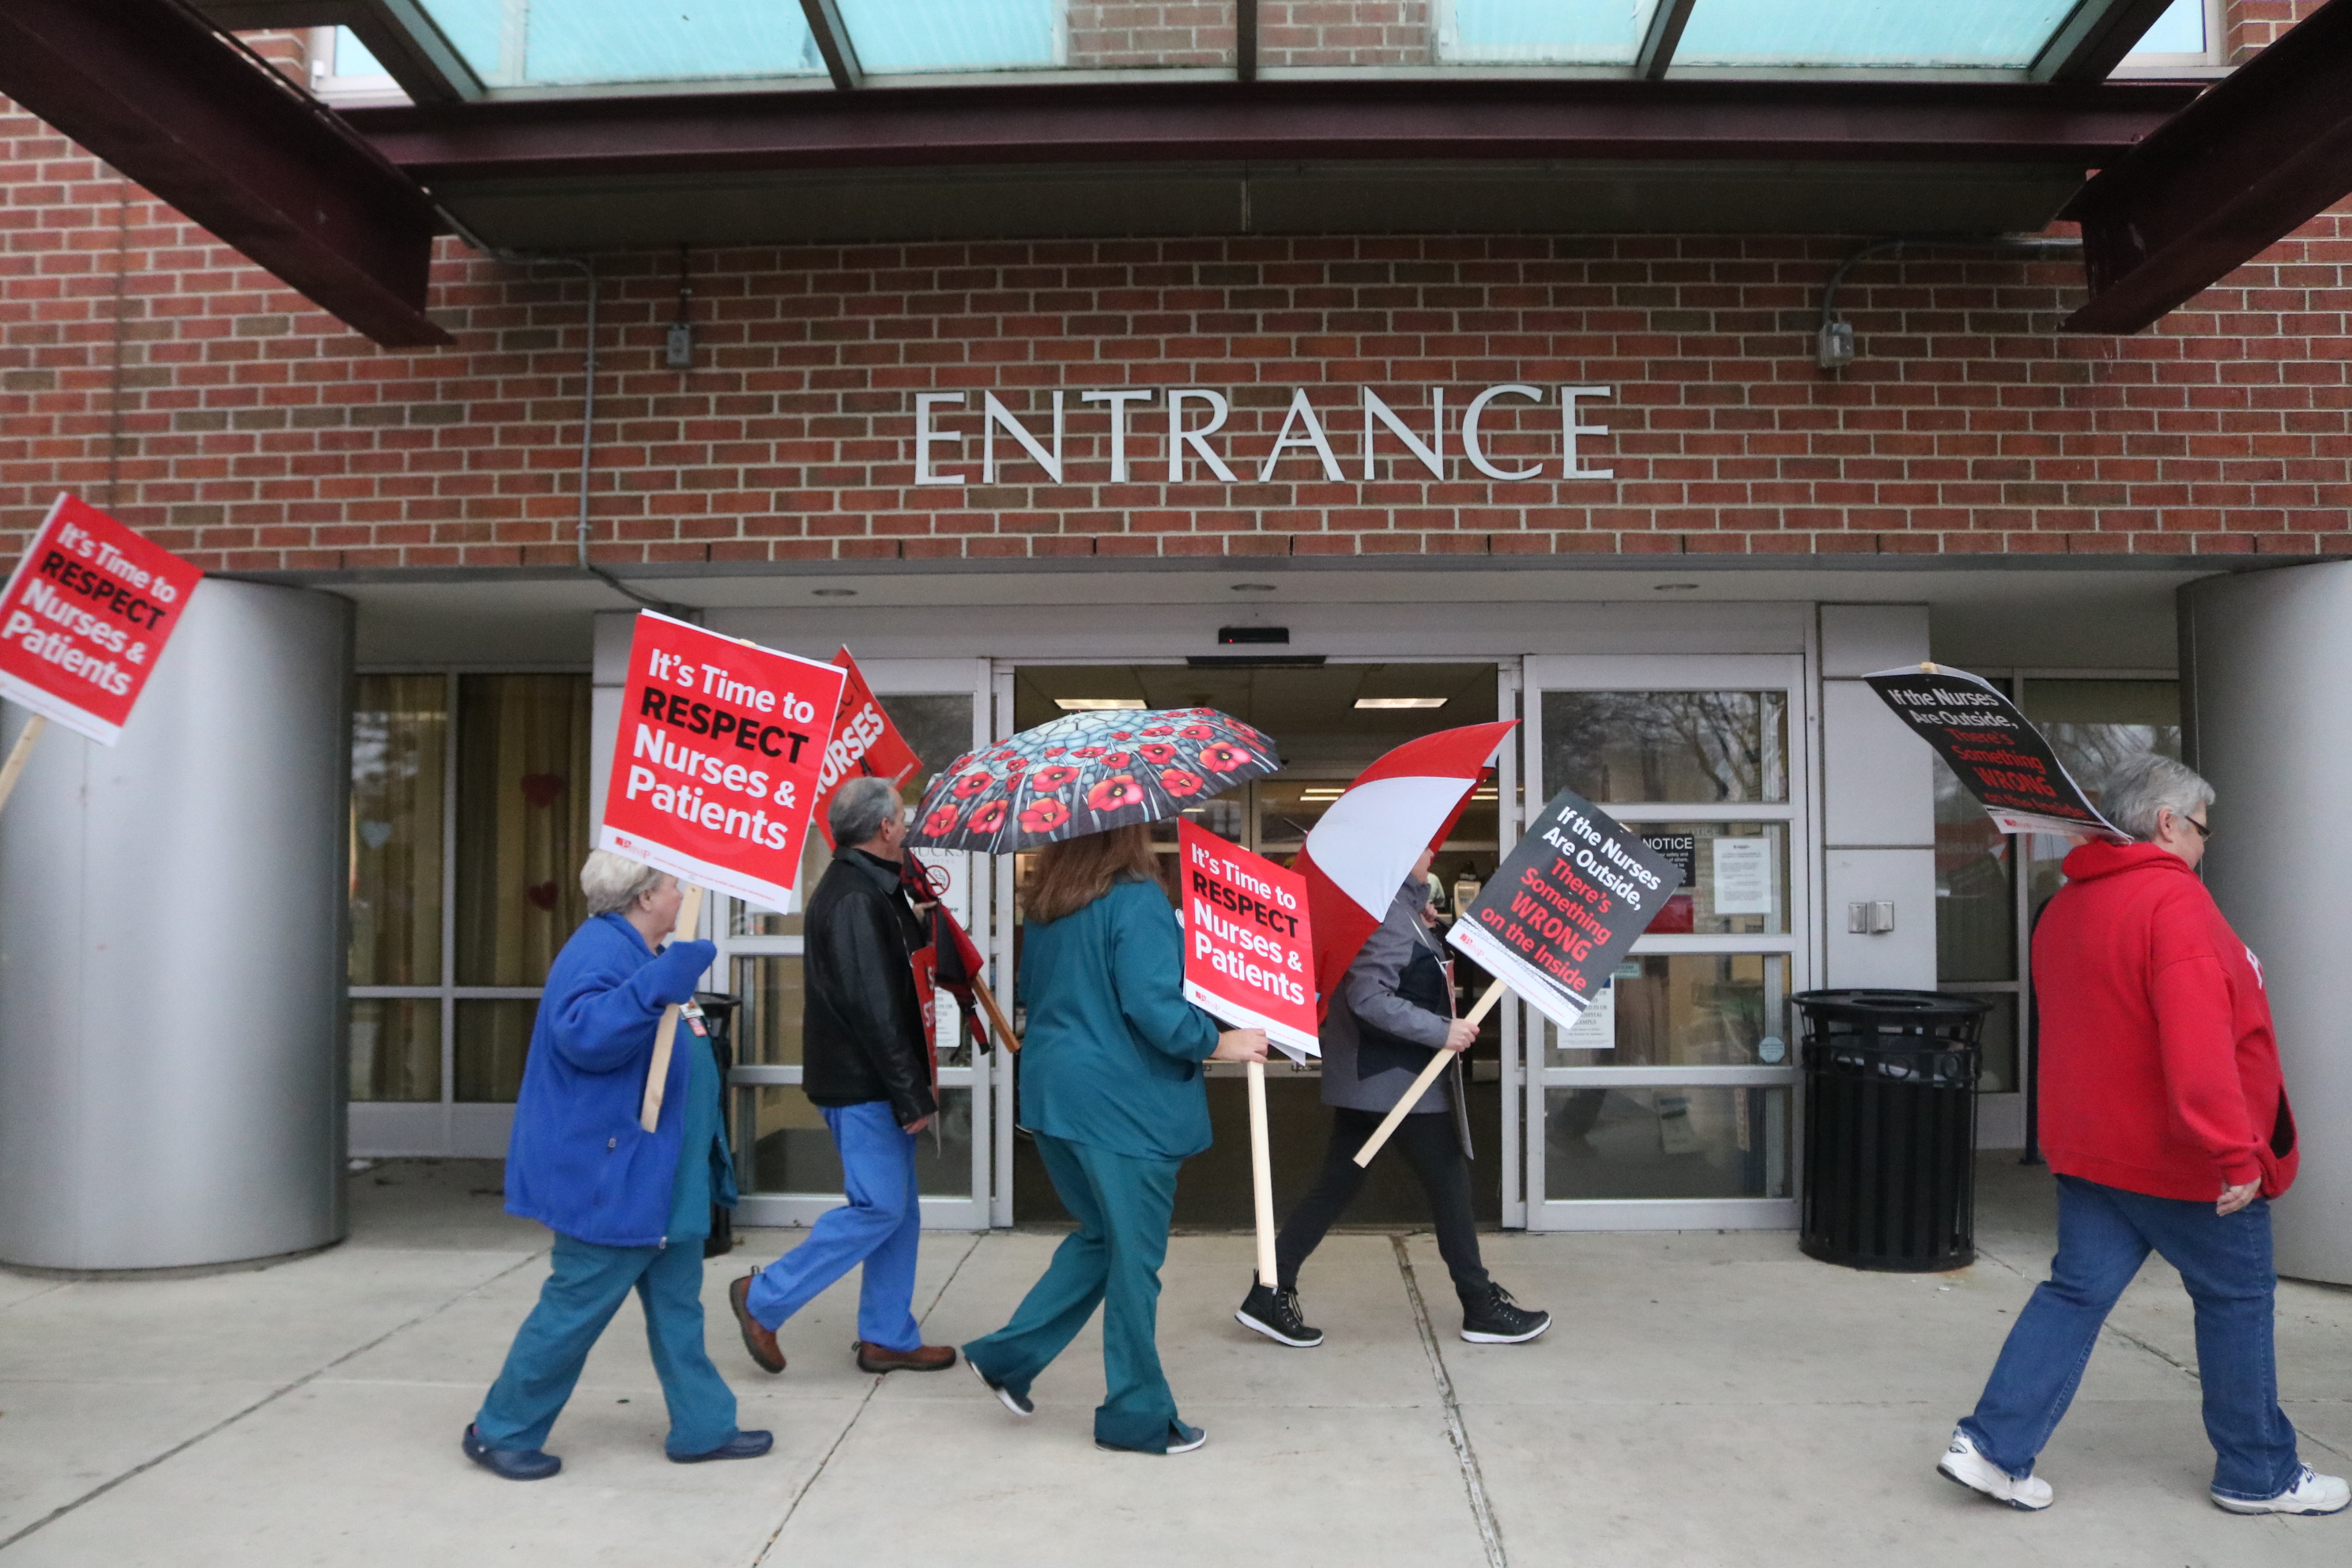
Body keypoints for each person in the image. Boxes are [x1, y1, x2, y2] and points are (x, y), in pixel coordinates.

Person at [1939, 753, 2346, 1517]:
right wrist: (2236, 1153)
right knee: (2236, 1301)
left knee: (2074, 1294)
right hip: (2183, 1161)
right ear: (2166, 822)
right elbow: (2199, 1044)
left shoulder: (2066, 907)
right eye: (2200, 829)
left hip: (2095, 1152)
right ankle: (2258, 1473)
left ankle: (1993, 1448)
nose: (2203, 845)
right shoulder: (2174, 904)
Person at [963, 824, 1268, 1454]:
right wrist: (1221, 1041)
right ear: (1131, 834)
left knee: (1101, 1238)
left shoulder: (1049, 904)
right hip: (1123, 1106)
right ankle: (1137, 1414)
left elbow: (1034, 996)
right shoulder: (1136, 899)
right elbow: (1154, 1009)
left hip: (1055, 1097)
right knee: (1134, 1262)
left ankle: (1007, 1356)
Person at [462, 851, 766, 1480]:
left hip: (660, 1183)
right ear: (644, 898)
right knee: (572, 1312)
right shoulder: (599, 952)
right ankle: (502, 1431)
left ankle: (704, 1427)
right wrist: (663, 981)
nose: (682, 893)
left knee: (680, 1311)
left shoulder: (637, 951)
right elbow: (587, 1036)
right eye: (673, 885)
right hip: (613, 1180)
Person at [1238, 846, 1549, 1350]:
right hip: (1396, 1081)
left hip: (1384, 1082)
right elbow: (1369, 997)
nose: (1434, 851)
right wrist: (1440, 1030)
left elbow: (1405, 970)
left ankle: (1270, 1289)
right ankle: (1479, 1305)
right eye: (1425, 845)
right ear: (1401, 855)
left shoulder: (1399, 909)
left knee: (1336, 1186)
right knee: (1448, 1182)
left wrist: (1428, 926)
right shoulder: (1386, 913)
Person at [726, 776, 959, 1376]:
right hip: (865, 1084)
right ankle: (766, 1296)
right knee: (879, 1208)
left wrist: (916, 915)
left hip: (867, 1079)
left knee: (899, 1212)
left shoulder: (870, 889)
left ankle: (887, 1335)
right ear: (884, 829)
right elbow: (874, 1007)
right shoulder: (856, 897)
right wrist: (911, 1094)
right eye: (901, 820)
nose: (905, 829)